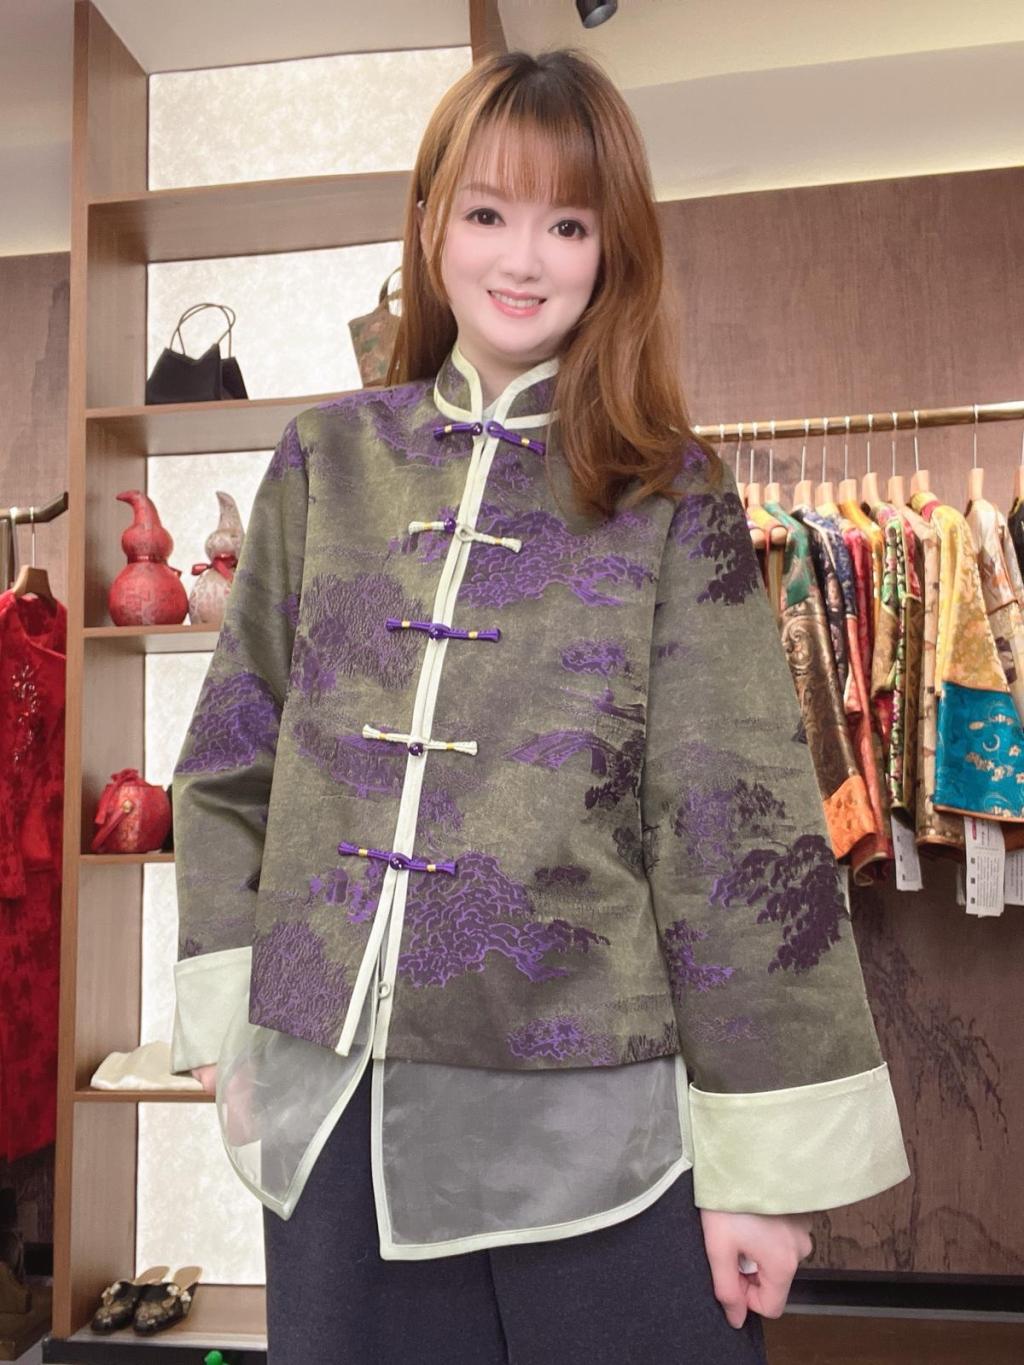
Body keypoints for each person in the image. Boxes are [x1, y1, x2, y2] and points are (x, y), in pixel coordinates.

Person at [169, 47, 910, 1365]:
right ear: (430, 223)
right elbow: (232, 760)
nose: (524, 259)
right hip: (335, 1121)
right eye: (488, 212)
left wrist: (760, 1172)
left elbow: (738, 827)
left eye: (568, 224)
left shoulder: (672, 493)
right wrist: (232, 1029)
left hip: (599, 1137)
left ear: (612, 250)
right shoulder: (324, 462)